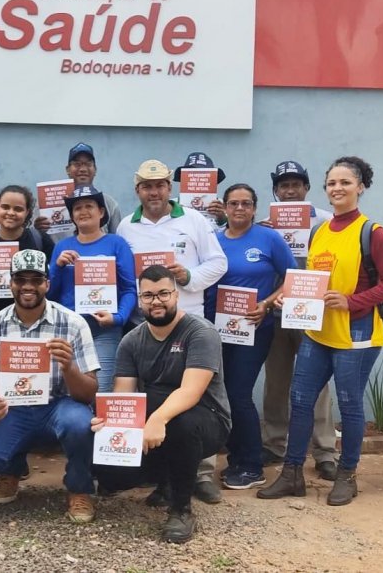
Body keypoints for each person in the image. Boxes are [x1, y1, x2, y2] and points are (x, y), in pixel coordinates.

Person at [259, 156, 383, 506]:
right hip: (318, 331)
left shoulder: (372, 232)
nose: (337, 188)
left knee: (350, 405)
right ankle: (292, 473)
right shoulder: (319, 231)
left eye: (345, 182)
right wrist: (289, 298)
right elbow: (311, 279)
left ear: (360, 187)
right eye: (332, 183)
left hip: (357, 332)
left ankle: (346, 475)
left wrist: (352, 301)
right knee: (300, 400)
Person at [116, 158, 227, 504]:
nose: (154, 192)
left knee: (195, 398)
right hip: (145, 325)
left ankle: (202, 475)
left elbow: (219, 263)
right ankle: (165, 478)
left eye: (160, 185)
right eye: (147, 186)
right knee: (155, 397)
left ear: (169, 188)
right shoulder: (125, 227)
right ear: (138, 190)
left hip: (190, 321)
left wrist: (188, 277)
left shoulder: (194, 220)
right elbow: (123, 275)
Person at [93, 265, 231, 543]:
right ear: (140, 300)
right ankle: (165, 481)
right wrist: (111, 423)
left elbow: (191, 391)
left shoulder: (200, 332)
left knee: (181, 423)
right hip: (157, 419)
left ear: (176, 295)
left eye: (163, 293)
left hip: (206, 419)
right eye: (148, 295)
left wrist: (157, 419)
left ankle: (181, 510)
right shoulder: (131, 341)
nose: (156, 301)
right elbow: (124, 396)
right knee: (109, 473)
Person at [0, 249, 101, 523]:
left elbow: (89, 392)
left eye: (36, 280)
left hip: (59, 406)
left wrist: (69, 368)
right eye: (20, 279)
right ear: (10, 283)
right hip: (13, 408)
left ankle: (79, 488)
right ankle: (11, 470)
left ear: (47, 284)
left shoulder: (73, 324)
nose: (28, 286)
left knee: (80, 424)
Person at [203, 184, 295, 489]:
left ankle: (252, 465)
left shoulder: (269, 238)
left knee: (239, 393)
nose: (239, 208)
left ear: (254, 208)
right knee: (222, 394)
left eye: (246, 203)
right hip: (216, 329)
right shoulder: (213, 240)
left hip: (254, 329)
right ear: (225, 207)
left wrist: (266, 305)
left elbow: (293, 279)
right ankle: (236, 459)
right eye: (234, 203)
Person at [258, 160, 338, 479]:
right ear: (276, 191)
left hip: (312, 313)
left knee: (317, 383)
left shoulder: (328, 221)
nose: (290, 191)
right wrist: (262, 233)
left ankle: (325, 451)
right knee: (276, 381)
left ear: (306, 187)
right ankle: (274, 443)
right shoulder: (265, 225)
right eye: (283, 186)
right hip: (277, 311)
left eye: (295, 184)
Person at [48, 185, 136, 393]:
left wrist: (118, 318)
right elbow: (49, 295)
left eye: (89, 206)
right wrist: (58, 267)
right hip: (68, 329)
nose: (83, 211)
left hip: (104, 330)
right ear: (72, 216)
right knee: (69, 389)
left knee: (101, 390)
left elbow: (130, 290)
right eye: (77, 208)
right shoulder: (62, 247)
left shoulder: (117, 244)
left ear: (101, 212)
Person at [0, 185, 56, 322]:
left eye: (18, 209)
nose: (11, 213)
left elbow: (52, 280)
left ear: (27, 212)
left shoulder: (40, 239)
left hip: (36, 317)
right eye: (5, 207)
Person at [34, 142, 123, 242]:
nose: (83, 169)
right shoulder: (46, 202)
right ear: (67, 170)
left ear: (95, 170)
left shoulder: (109, 204)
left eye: (88, 164)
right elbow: (33, 240)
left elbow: (116, 240)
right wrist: (37, 230)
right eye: (77, 164)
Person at [173, 152, 227, 229]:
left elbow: (232, 231)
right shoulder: (171, 205)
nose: (197, 179)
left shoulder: (224, 206)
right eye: (191, 175)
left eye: (205, 175)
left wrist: (222, 218)